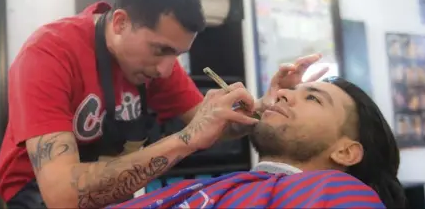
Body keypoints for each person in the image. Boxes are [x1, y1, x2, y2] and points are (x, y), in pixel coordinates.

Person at [0, 0, 326, 209]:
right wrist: (186, 139)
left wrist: (263, 107)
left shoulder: (157, 66)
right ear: (121, 22)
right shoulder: (49, 53)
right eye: (160, 50)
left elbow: (213, 124)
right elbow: (61, 196)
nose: (168, 69)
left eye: (178, 54)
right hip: (35, 195)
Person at [109, 77, 407, 209]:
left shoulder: (340, 191)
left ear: (345, 151)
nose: (283, 95)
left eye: (313, 98)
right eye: (292, 90)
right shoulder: (235, 185)